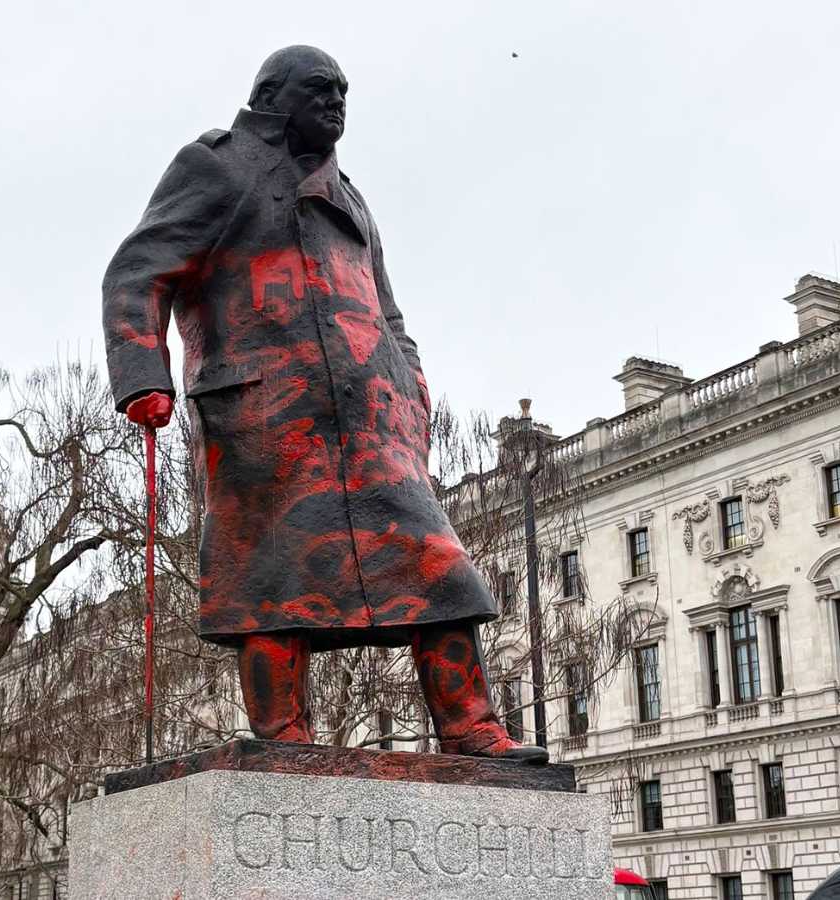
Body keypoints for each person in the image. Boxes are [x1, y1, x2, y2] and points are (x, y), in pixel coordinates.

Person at [103, 45, 545, 763]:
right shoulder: (215, 167)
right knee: (269, 577)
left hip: (372, 420)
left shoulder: (352, 196)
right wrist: (141, 374)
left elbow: (387, 309)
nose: (337, 102)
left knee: (437, 566)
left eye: (343, 90)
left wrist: (412, 391)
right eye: (320, 89)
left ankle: (471, 726)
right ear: (271, 97)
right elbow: (136, 271)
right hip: (263, 416)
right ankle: (284, 737)